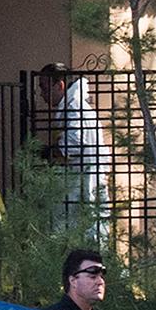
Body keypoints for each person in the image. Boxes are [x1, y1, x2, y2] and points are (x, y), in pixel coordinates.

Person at [38, 63, 111, 242]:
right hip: (86, 181)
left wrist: (48, 153)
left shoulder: (74, 110)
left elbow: (71, 147)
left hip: (81, 184)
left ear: (60, 85)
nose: (42, 94)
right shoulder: (78, 108)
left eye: (44, 88)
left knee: (80, 236)